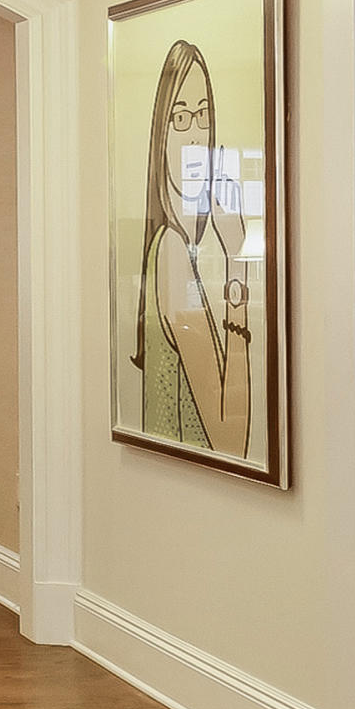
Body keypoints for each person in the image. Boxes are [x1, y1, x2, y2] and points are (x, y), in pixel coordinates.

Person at [130, 40, 252, 456]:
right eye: (180, 118)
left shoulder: (186, 243)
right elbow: (230, 438)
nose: (197, 132)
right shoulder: (173, 252)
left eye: (203, 115)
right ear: (161, 135)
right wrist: (239, 264)